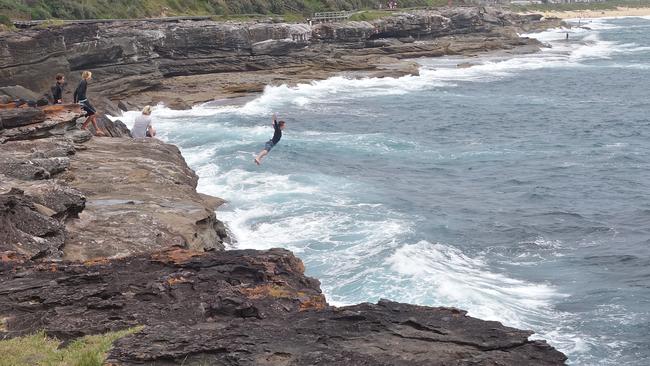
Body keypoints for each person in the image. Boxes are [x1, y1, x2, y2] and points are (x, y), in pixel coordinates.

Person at [73, 70, 104, 136]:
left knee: (91, 114)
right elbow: (80, 93)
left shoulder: (81, 81)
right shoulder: (84, 82)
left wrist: (75, 102)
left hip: (82, 101)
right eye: (90, 75)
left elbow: (75, 92)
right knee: (95, 114)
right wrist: (81, 101)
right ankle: (83, 126)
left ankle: (97, 130)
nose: (91, 77)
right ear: (87, 76)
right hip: (83, 101)